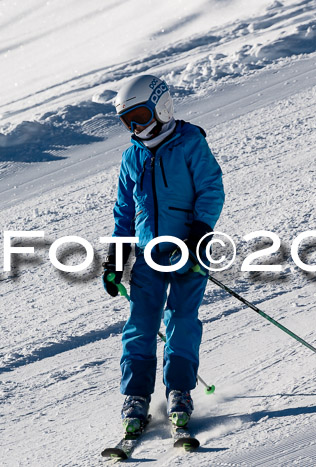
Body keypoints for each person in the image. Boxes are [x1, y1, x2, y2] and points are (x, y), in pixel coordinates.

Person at [102, 74, 225, 434]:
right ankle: (136, 395)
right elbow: (125, 212)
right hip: (145, 255)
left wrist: (199, 236)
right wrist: (115, 260)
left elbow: (211, 190)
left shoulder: (190, 144)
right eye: (128, 121)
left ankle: (179, 391)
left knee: (181, 320)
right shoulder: (131, 157)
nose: (136, 126)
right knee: (140, 325)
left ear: (162, 107)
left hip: (188, 249)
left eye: (140, 115)